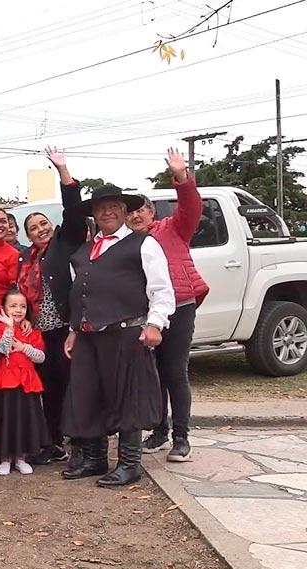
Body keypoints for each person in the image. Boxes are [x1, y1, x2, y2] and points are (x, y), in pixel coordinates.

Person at [62, 184, 175, 487]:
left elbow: (161, 289)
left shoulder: (143, 244)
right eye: (101, 208)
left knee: (129, 397)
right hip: (89, 336)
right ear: (94, 215)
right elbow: (80, 296)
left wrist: (155, 323)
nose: (107, 212)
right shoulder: (83, 252)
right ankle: (96, 459)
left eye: (113, 206)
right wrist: (75, 329)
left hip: (128, 332)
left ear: (125, 211)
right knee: (88, 395)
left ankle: (129, 463)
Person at [129, 149, 209, 463]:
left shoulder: (172, 229)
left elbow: (191, 207)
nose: (135, 216)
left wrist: (181, 177)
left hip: (179, 306)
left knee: (174, 372)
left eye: (141, 210)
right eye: (130, 212)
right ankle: (160, 430)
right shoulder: (125, 241)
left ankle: (182, 437)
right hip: (144, 314)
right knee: (154, 374)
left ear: (151, 212)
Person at [16, 147, 86, 466]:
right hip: (41, 334)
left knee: (75, 385)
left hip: (67, 328)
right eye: (34, 227)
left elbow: (73, 211)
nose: (41, 229)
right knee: (51, 389)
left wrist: (63, 171)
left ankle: (83, 442)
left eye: (43, 224)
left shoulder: (66, 241)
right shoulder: (27, 258)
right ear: (27, 235)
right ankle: (55, 443)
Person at [0, 291, 50, 475]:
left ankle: (21, 457)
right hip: (3, 380)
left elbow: (41, 357)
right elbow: (2, 349)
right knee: (5, 418)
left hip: (26, 382)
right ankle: (5, 458)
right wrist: (8, 328)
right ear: (4, 308)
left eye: (22, 306)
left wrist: (24, 348)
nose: (18, 310)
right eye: (13, 306)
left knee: (24, 419)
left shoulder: (33, 332)